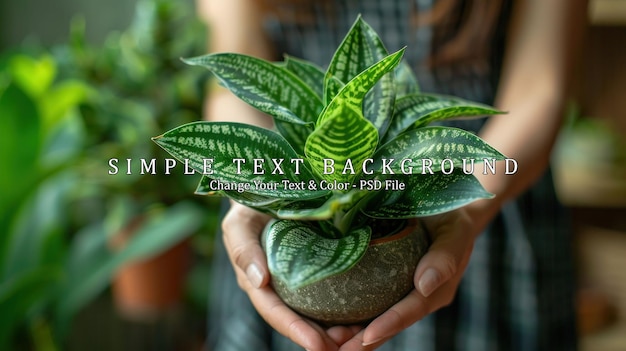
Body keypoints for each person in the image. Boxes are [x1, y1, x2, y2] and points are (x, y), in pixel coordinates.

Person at [198, 0, 587, 350]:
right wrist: (249, 190)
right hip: (290, 217)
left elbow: (541, 89)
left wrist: (468, 207)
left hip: (469, 189)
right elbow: (234, 77)